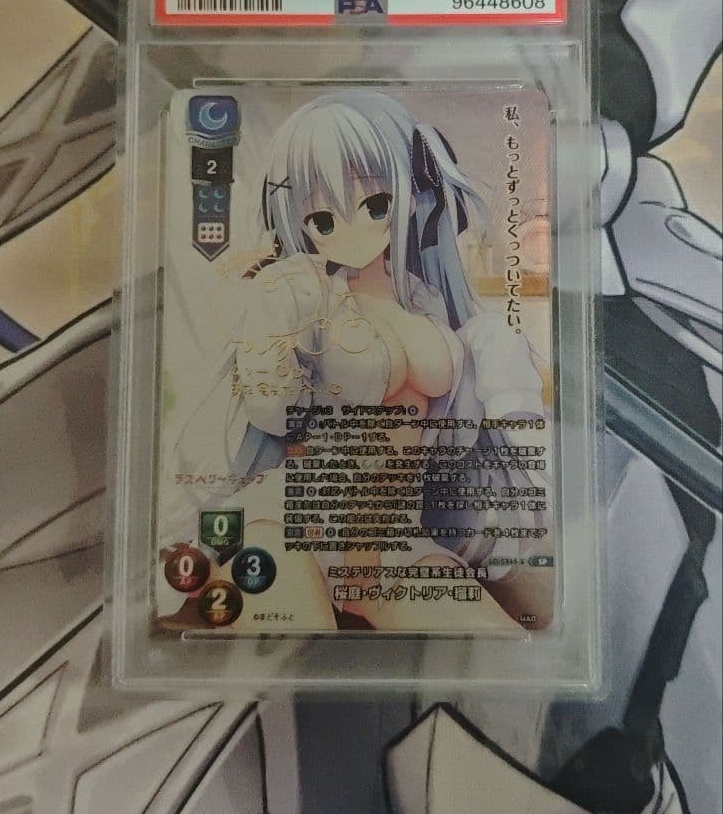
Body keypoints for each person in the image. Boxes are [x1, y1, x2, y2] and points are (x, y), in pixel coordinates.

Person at [166, 89, 551, 632]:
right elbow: (273, 411)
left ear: (410, 194)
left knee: (500, 649)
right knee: (302, 653)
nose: (350, 230)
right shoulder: (301, 290)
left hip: (394, 540)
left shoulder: (430, 302)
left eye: (375, 204)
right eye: (322, 217)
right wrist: (271, 330)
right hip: (292, 522)